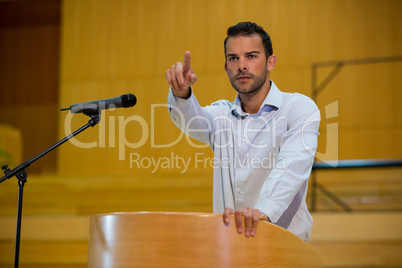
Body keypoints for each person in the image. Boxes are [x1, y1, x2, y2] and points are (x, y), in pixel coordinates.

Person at [165, 21, 320, 241]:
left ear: (270, 62)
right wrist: (181, 93)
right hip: (230, 250)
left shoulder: (298, 108)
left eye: (252, 56)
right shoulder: (221, 116)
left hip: (285, 248)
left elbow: (292, 165)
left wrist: (263, 211)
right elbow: (190, 120)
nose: (242, 65)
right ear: (226, 67)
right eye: (233, 58)